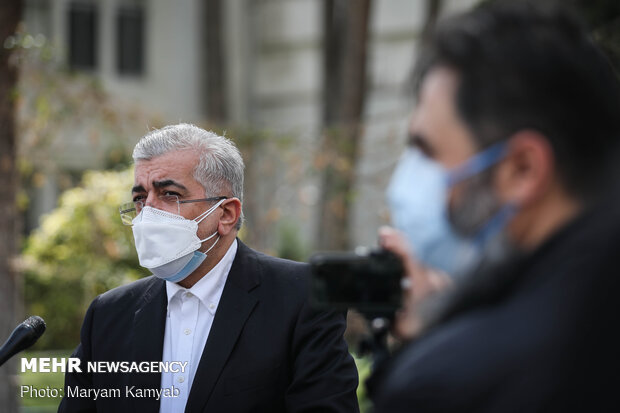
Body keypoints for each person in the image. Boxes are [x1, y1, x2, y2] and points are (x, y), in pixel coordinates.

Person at [372, 1, 620, 411]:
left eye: (427, 151)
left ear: (523, 169)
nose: (406, 182)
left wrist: (427, 356)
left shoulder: (447, 385)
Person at [58, 124, 359, 413]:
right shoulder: (108, 315)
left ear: (226, 214)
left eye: (169, 195)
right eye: (139, 199)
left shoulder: (302, 297)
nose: (147, 214)